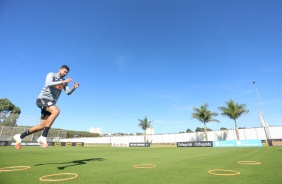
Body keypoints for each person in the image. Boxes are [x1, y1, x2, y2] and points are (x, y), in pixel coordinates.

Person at [13, 65, 79, 149]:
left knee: (42, 126)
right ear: (60, 70)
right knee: (56, 111)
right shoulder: (51, 75)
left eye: (66, 72)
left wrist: (74, 88)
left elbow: (68, 93)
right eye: (64, 71)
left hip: (50, 103)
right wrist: (62, 82)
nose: (65, 73)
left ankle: (20, 136)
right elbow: (48, 83)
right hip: (43, 99)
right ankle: (43, 137)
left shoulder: (64, 81)